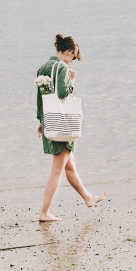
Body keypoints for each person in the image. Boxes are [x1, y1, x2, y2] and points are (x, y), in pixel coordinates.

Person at [36, 33, 107, 222]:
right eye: (73, 58)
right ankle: (45, 212)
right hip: (62, 125)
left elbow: (41, 99)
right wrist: (71, 79)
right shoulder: (61, 67)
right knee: (57, 170)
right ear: (69, 52)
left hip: (50, 122)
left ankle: (88, 198)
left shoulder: (43, 67)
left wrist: (41, 121)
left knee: (69, 166)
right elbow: (62, 93)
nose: (71, 61)